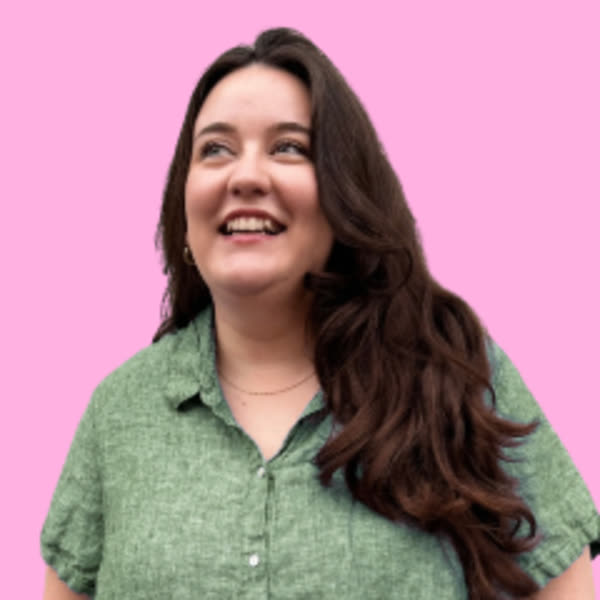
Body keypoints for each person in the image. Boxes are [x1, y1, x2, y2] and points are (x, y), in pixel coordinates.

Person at [41, 27, 600, 599]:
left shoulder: (457, 373)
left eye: (288, 147)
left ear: (345, 192)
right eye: (215, 149)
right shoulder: (119, 412)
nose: (246, 176)